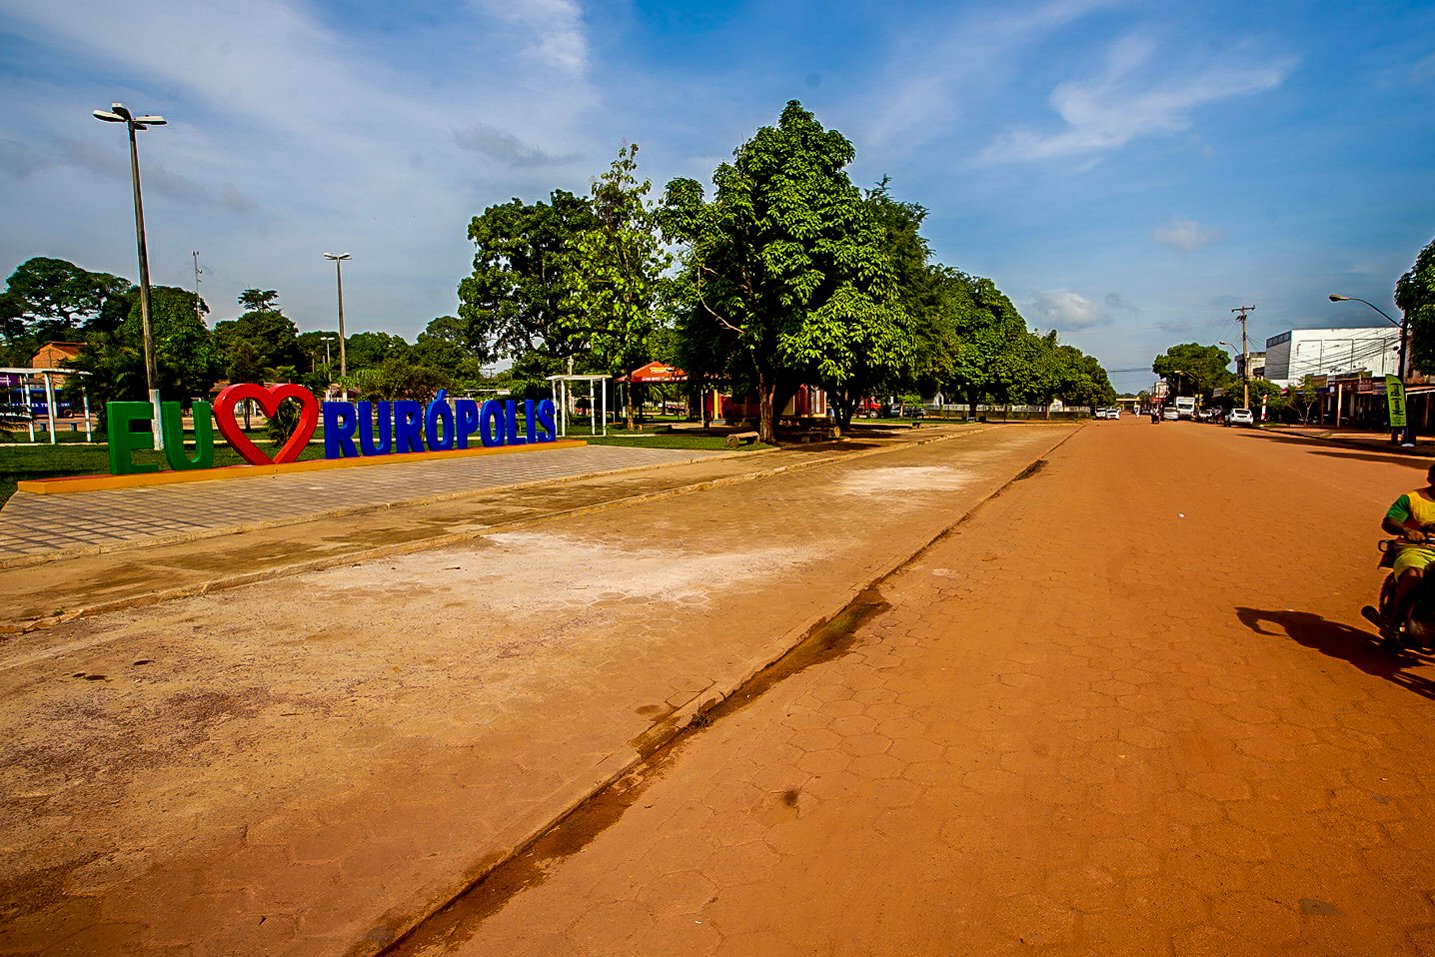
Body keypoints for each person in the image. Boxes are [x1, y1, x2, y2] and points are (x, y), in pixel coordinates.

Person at [1364, 463, 1435, 635]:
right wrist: (1407, 530)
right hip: (1415, 549)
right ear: (1431, 480)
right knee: (1414, 575)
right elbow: (1390, 521)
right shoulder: (1411, 499)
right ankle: (1394, 620)